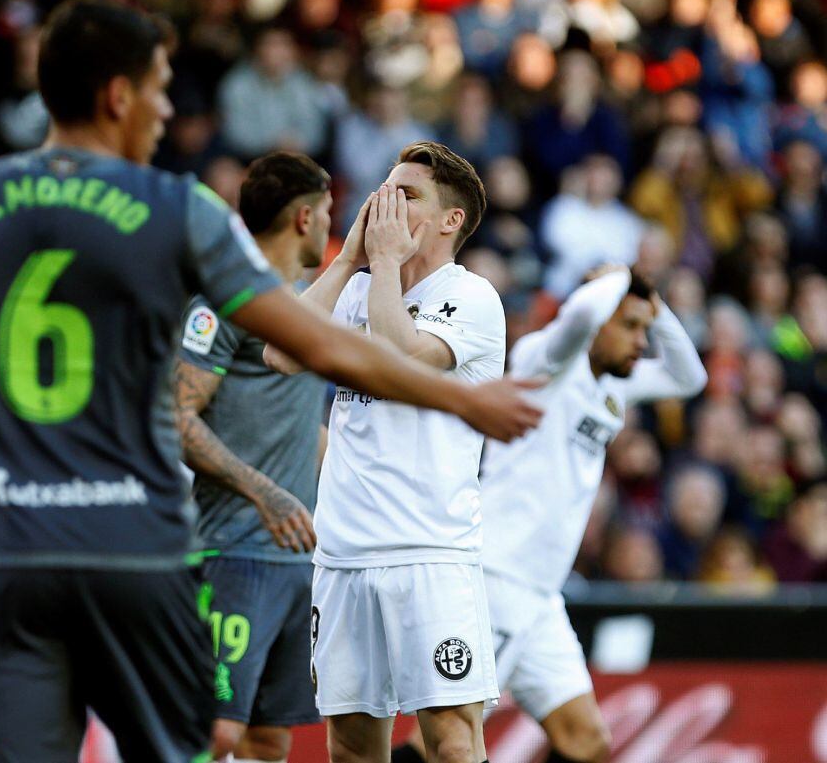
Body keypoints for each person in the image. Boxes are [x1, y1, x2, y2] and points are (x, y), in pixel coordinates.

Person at [0, 0, 541, 763]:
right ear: (118, 96)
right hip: (134, 546)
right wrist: (470, 398)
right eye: (159, 86)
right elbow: (300, 346)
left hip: (4, 548)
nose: (166, 107)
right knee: (201, 745)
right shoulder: (176, 208)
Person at [394, 265, 707, 763]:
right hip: (495, 576)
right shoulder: (545, 359)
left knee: (586, 743)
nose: (640, 341)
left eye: (644, 329)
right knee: (445, 742)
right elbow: (581, 312)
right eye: (628, 325)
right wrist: (622, 275)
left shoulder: (614, 386)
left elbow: (690, 377)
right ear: (599, 315)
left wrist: (652, 302)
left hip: (540, 595)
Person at [268, 142, 505, 763]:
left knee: (452, 739)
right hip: (342, 553)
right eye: (385, 189)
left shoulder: (472, 297)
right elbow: (280, 354)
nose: (386, 203)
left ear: (450, 220)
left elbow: (399, 354)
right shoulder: (354, 290)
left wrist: (385, 265)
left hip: (430, 552)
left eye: (408, 195)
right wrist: (348, 260)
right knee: (349, 745)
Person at [174, 151, 333, 763]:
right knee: (214, 733)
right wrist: (263, 491)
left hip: (297, 558)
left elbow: (299, 427)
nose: (328, 226)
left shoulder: (297, 307)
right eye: (325, 213)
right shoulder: (222, 299)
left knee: (270, 739)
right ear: (302, 218)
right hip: (233, 552)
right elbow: (178, 416)